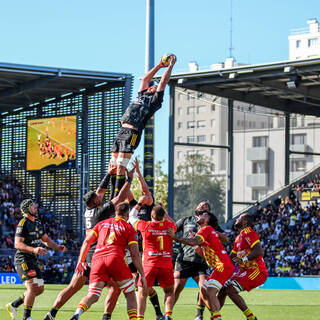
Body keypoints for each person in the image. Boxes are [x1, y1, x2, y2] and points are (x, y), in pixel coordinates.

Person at [44, 167, 135, 320]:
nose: (101, 196)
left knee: (72, 287)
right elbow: (120, 198)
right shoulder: (101, 212)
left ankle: (51, 313)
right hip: (98, 254)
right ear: (95, 201)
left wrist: (108, 174)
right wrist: (129, 179)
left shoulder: (88, 211)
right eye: (98, 197)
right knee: (114, 288)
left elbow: (99, 191)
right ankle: (106, 317)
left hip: (86, 256)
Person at [108, 55, 177, 198]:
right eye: (152, 86)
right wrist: (159, 65)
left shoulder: (154, 101)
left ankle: (116, 198)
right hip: (121, 131)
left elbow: (163, 81)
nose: (152, 86)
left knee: (121, 165)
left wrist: (170, 66)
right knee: (112, 166)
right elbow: (145, 79)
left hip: (132, 133)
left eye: (154, 87)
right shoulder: (142, 94)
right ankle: (113, 196)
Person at [68, 202, 147, 320]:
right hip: (116, 259)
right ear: (127, 214)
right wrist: (142, 273)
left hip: (98, 260)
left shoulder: (102, 223)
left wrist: (81, 260)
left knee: (93, 294)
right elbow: (135, 254)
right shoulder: (129, 228)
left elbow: (87, 241)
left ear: (115, 212)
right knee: (130, 293)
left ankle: (77, 313)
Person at [6, 199, 66, 320]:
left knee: (39, 289)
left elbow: (46, 240)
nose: (36, 208)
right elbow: (17, 244)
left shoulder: (37, 222)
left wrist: (57, 247)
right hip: (23, 259)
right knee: (32, 287)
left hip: (33, 260)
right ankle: (26, 317)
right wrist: (34, 250)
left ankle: (14, 305)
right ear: (27, 209)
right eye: (33, 206)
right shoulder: (23, 223)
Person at [168, 211, 233, 320]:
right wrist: (194, 245)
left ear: (207, 221)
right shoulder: (206, 232)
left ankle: (216, 317)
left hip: (223, 266)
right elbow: (203, 254)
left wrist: (175, 237)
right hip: (221, 267)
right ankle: (215, 315)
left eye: (205, 215)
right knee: (204, 289)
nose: (201, 215)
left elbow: (193, 241)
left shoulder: (206, 229)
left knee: (210, 291)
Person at [129, 204, 176, 320]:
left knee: (142, 293)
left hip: (149, 264)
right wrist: (165, 213)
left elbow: (131, 216)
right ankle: (168, 315)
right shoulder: (170, 226)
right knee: (169, 291)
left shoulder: (145, 226)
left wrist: (139, 204)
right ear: (163, 215)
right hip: (166, 263)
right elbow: (173, 223)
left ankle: (140, 318)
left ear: (151, 215)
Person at [217, 213, 268, 320]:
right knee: (223, 289)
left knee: (231, 290)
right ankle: (215, 316)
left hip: (257, 270)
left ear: (245, 221)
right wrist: (219, 264)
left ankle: (251, 318)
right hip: (244, 270)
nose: (236, 220)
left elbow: (259, 251)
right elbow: (232, 256)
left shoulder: (249, 232)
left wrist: (243, 259)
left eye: (239, 218)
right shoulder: (239, 237)